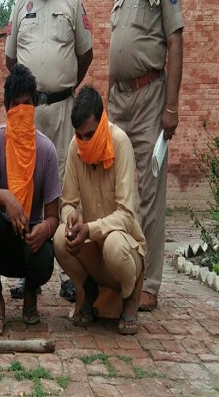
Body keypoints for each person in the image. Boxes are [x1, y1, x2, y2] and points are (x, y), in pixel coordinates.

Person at [4, 0, 93, 303]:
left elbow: (85, 54)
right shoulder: (20, 4)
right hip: (28, 113)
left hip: (61, 110)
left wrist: (64, 85)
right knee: (28, 188)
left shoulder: (73, 1)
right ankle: (30, 272)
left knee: (66, 188)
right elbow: (10, 59)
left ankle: (71, 273)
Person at [108, 0, 184, 312]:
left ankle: (149, 283)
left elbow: (175, 42)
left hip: (150, 97)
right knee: (116, 186)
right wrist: (107, 95)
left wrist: (171, 107)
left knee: (148, 191)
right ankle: (118, 273)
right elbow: (116, 45)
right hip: (119, 98)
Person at [0, 64, 60, 337]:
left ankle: (31, 292)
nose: (21, 110)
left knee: (46, 257)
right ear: (7, 108)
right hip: (3, 236)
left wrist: (44, 229)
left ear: (35, 107)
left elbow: (53, 215)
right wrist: (5, 196)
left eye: (27, 104)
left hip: (30, 240)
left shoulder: (46, 149)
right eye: (15, 105)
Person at [54, 86, 146, 335]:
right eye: (80, 135)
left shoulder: (120, 142)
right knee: (60, 237)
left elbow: (126, 215)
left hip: (123, 246)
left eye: (90, 134)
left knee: (114, 244)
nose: (85, 142)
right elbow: (68, 202)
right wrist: (72, 218)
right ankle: (88, 290)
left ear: (102, 120)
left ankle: (129, 298)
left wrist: (89, 229)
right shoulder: (75, 146)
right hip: (93, 247)